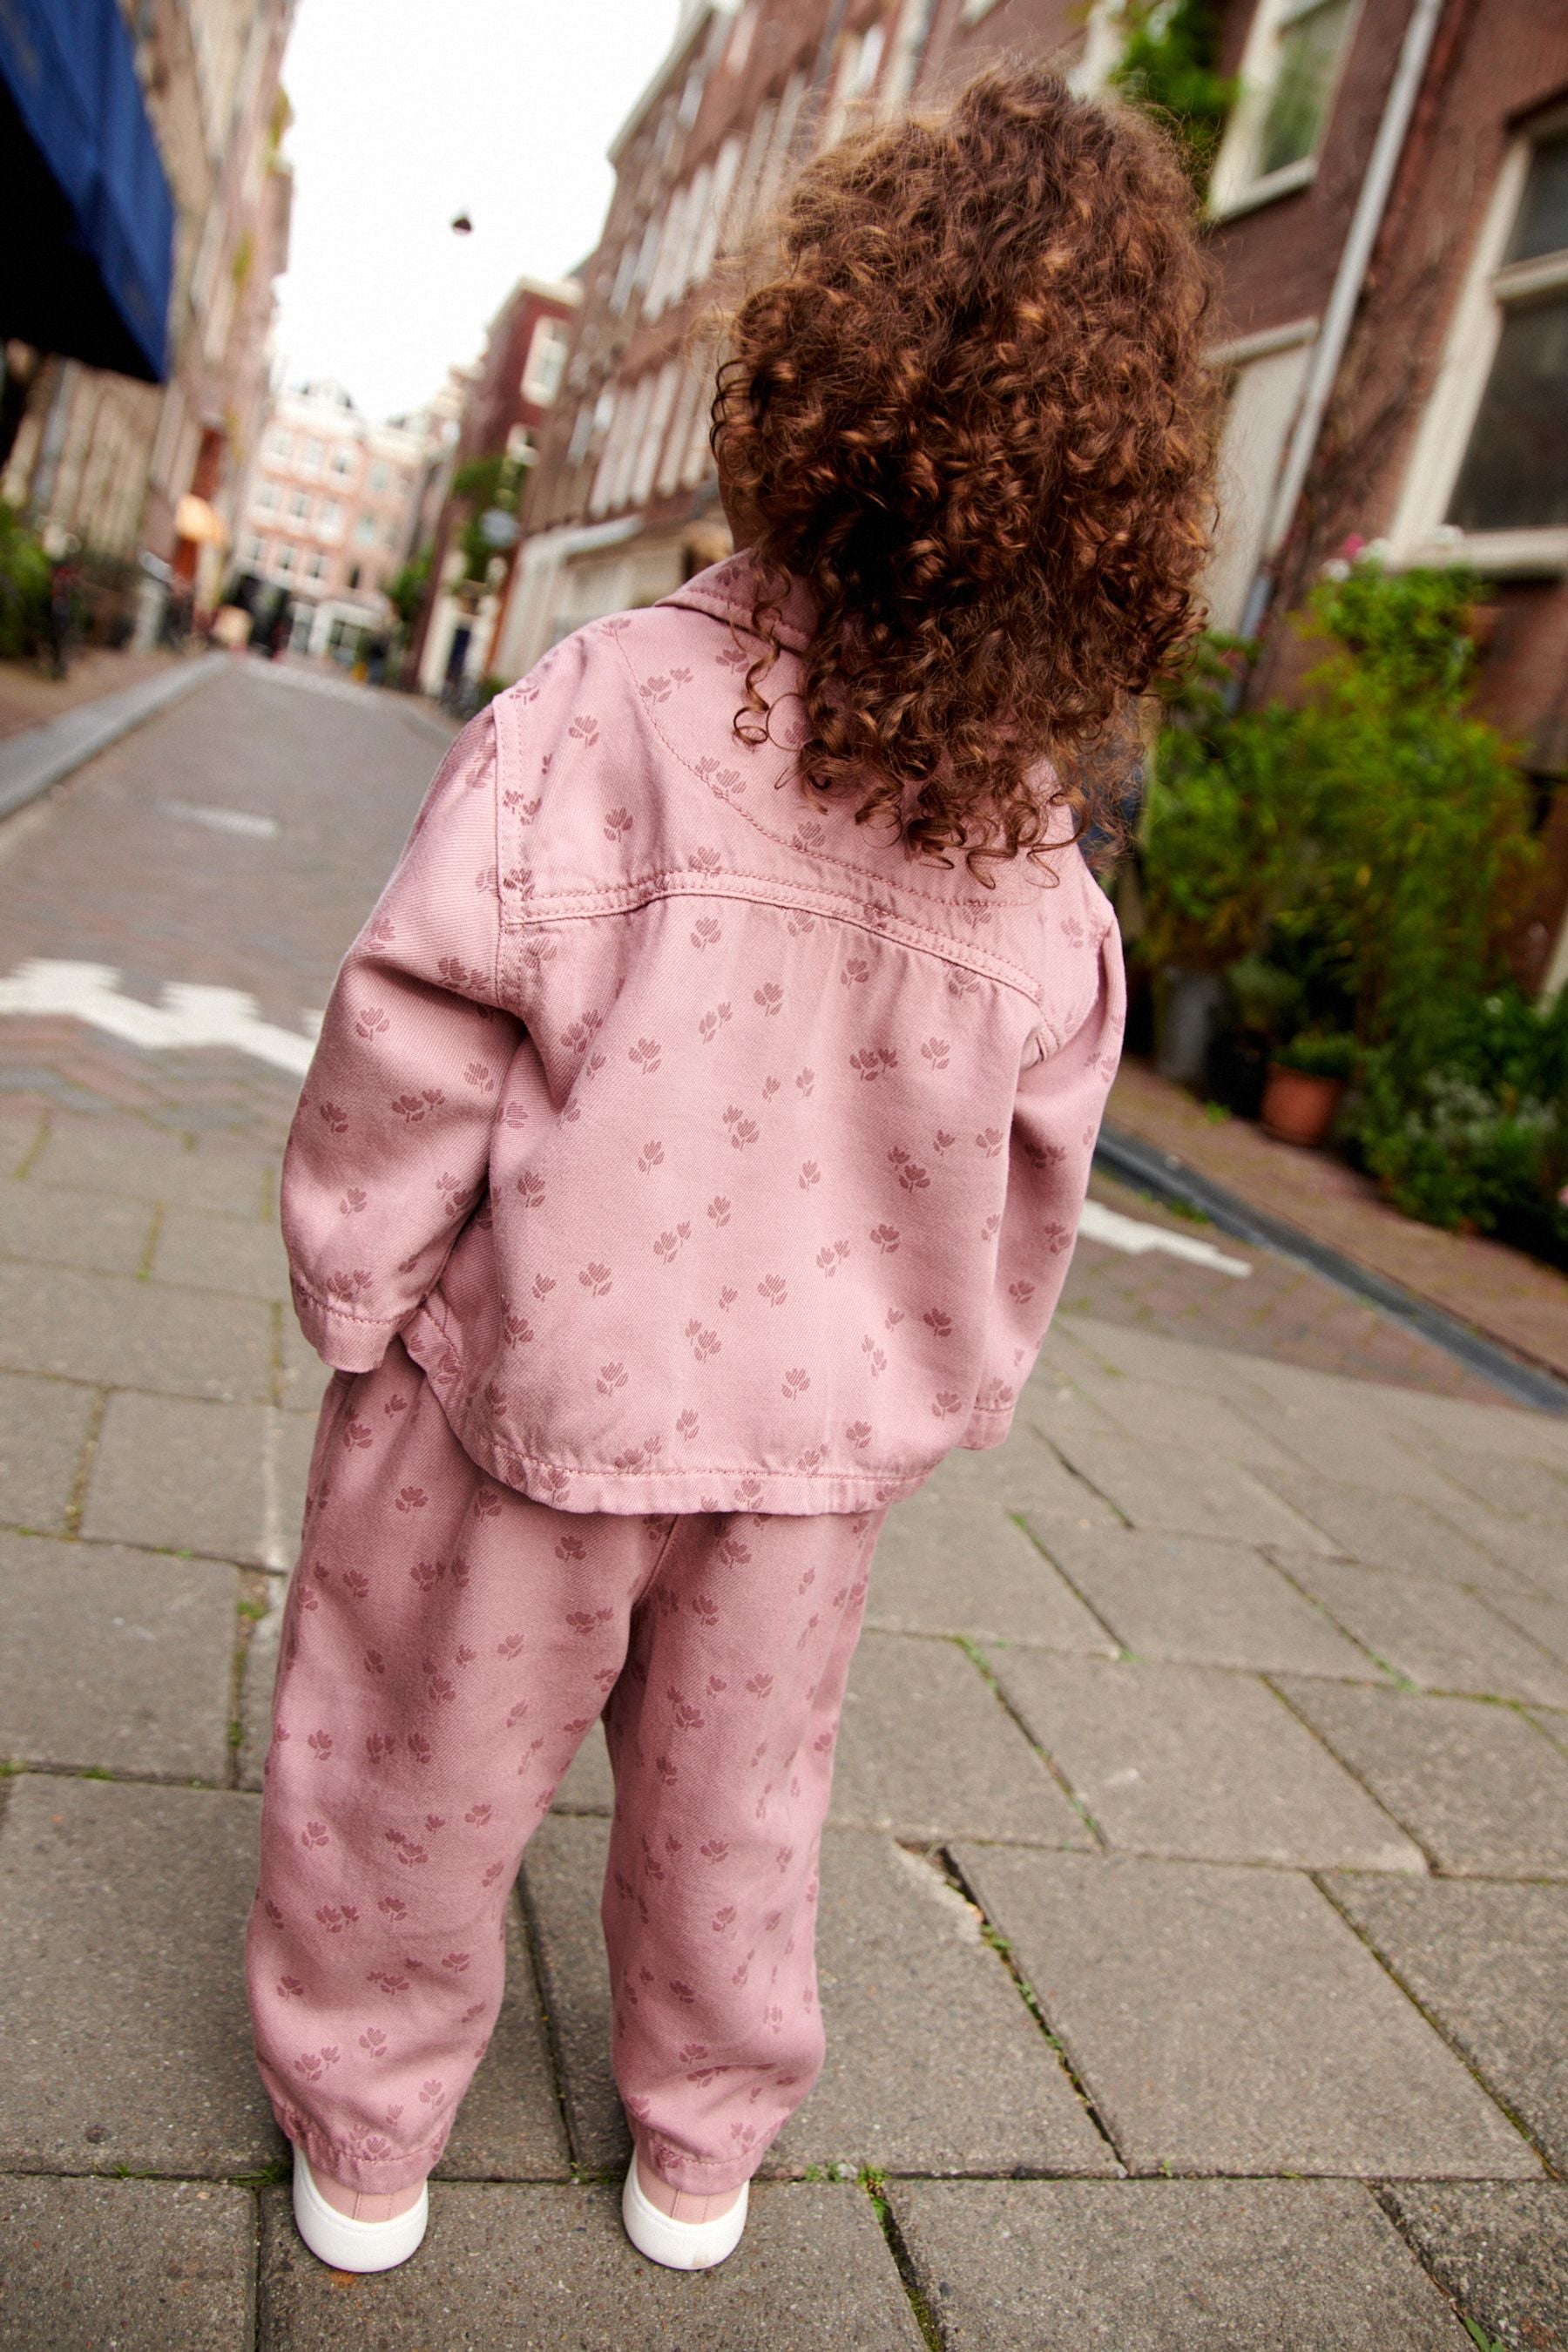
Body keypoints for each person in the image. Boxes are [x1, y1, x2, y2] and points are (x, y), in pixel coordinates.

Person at [246, 61, 1213, 2279]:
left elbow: (415, 1016)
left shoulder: (614, 709)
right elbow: (1039, 1165)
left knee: (415, 1758)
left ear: (818, 378)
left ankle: (371, 2131)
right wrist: (945, 1374)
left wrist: (362, 1283)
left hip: (532, 1398)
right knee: (735, 1814)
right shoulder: (1031, 851)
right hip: (806, 1450)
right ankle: (699, 2144)